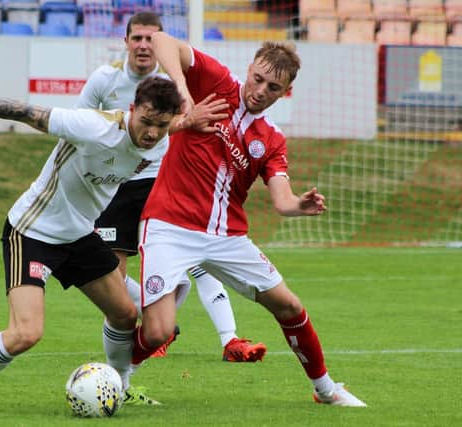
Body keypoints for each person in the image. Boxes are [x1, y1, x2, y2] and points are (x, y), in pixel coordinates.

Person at [126, 31, 367, 407]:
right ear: (249, 69)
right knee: (157, 332)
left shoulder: (271, 139)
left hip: (227, 238)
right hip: (169, 226)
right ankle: (114, 381)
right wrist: (184, 95)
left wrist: (297, 206)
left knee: (289, 306)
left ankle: (326, 390)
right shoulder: (215, 80)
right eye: (258, 79)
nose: (260, 90)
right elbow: (160, 40)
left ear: (284, 93)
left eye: (273, 87)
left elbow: (282, 199)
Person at [0, 76, 182, 414]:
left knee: (125, 314)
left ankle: (120, 386)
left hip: (79, 235)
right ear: (132, 110)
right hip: (32, 231)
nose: (152, 133)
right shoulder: (92, 126)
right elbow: (25, 111)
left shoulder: (160, 141)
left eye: (161, 125)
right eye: (146, 122)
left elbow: (180, 125)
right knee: (26, 333)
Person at [82, 11, 266, 362]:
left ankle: (229, 338)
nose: (144, 45)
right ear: (125, 42)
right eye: (137, 38)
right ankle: (158, 318)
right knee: (109, 276)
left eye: (151, 38)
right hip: (116, 185)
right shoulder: (104, 81)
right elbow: (82, 125)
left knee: (202, 256)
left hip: (161, 180)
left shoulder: (171, 81)